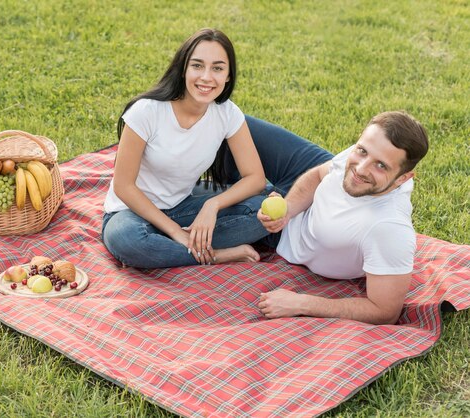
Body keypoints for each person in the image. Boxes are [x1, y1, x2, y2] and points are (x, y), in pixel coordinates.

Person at [102, 28, 269, 269]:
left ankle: (181, 248)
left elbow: (256, 178)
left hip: (184, 207)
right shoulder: (146, 111)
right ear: (183, 69)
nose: (206, 77)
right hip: (130, 214)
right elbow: (123, 186)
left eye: (218, 68)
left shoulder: (228, 114)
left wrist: (212, 207)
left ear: (228, 75)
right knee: (127, 241)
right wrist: (175, 232)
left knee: (266, 211)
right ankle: (217, 254)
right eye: (198, 66)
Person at [249, 111, 429, 325]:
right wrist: (288, 209)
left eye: (381, 165)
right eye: (361, 151)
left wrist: (301, 303)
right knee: (235, 121)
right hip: (306, 196)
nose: (361, 168)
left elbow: (385, 311)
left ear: (403, 179)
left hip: (284, 236)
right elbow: (317, 175)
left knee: (206, 214)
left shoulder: (388, 229)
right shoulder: (360, 159)